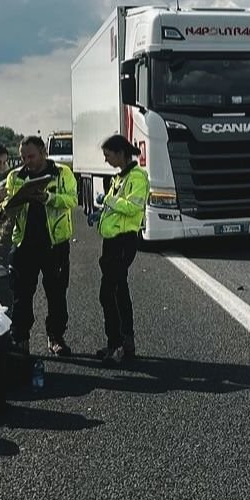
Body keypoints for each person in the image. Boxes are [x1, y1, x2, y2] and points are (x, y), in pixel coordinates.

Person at [3, 135, 77, 355]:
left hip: (54, 243)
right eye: (23, 157)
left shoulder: (62, 173)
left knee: (56, 293)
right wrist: (12, 204)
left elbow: (72, 200)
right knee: (21, 294)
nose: (27, 161)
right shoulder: (15, 176)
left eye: (31, 156)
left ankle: (56, 338)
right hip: (24, 243)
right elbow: (10, 206)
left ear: (43, 152)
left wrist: (48, 198)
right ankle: (20, 339)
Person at [93, 134, 148, 364]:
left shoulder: (137, 177)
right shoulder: (120, 178)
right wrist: (100, 214)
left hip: (124, 242)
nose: (106, 160)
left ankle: (116, 345)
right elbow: (116, 208)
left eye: (108, 155)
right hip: (112, 241)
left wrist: (107, 200)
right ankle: (125, 343)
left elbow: (133, 207)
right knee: (119, 292)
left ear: (120, 153)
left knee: (108, 293)